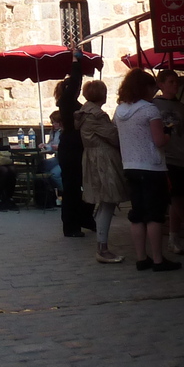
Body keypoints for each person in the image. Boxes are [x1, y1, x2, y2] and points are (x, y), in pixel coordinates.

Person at [114, 68, 180, 271]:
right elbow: (159, 141)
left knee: (137, 214)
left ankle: (142, 258)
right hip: (151, 167)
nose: (154, 92)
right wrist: (169, 132)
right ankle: (159, 259)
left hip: (130, 165)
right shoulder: (149, 110)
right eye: (152, 88)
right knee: (154, 214)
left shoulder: (119, 111)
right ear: (145, 88)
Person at [79, 78, 128, 263]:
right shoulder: (96, 115)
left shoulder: (85, 113)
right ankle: (102, 248)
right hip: (103, 160)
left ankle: (102, 245)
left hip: (94, 158)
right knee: (108, 201)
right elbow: (114, 137)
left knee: (104, 203)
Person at [155, 67, 184, 255]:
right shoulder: (154, 106)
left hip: (182, 156)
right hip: (166, 157)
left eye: (176, 82)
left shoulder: (182, 109)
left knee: (179, 198)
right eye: (170, 82)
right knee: (176, 197)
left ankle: (174, 238)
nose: (174, 86)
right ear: (161, 84)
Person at [53, 52, 92, 236]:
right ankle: (71, 225)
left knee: (78, 186)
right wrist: (76, 62)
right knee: (72, 188)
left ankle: (83, 219)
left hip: (74, 146)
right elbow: (76, 80)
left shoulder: (70, 103)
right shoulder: (67, 102)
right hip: (71, 147)